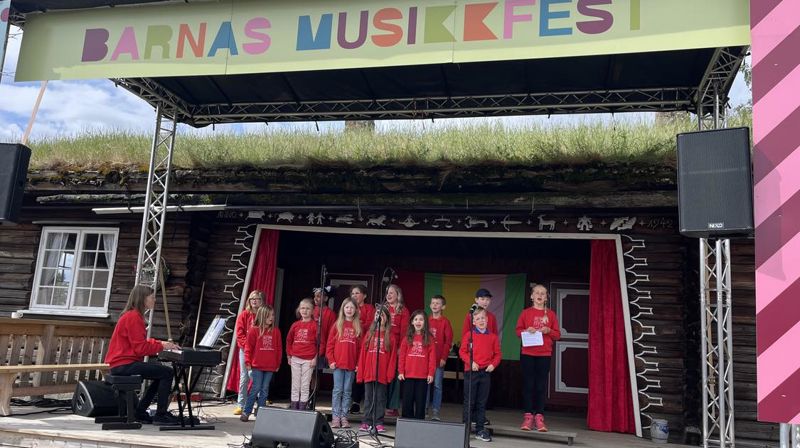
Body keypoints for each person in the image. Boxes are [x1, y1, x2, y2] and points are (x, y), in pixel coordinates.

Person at [105, 285, 180, 425]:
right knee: (167, 373)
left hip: (122, 363)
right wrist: (161, 346)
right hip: (124, 364)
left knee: (162, 374)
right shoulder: (134, 317)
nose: (154, 300)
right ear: (143, 299)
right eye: (152, 297)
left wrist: (160, 343)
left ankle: (140, 411)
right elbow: (140, 348)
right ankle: (161, 415)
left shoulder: (131, 315)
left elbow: (139, 342)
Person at [515, 284, 561, 432]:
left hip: (544, 354)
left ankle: (539, 417)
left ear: (546, 297)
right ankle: (528, 417)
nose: (540, 295)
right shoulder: (525, 313)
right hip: (528, 353)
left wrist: (548, 330)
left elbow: (558, 335)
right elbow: (517, 331)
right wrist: (526, 330)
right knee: (528, 385)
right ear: (532, 296)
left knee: (541, 386)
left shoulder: (551, 315)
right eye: (537, 293)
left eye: (543, 293)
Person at [459, 307, 501, 443]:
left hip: (485, 373)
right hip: (471, 372)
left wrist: (493, 365)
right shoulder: (469, 335)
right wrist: (470, 362)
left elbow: (498, 354)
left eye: (483, 318)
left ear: (487, 320)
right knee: (469, 401)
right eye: (477, 319)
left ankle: (480, 430)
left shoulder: (493, 337)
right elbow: (462, 352)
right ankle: (465, 429)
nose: (481, 320)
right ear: (473, 322)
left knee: (481, 402)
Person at [356, 305, 396, 434]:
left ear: (387, 319)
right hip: (369, 372)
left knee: (380, 399)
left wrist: (389, 375)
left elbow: (392, 358)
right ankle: (366, 421)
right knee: (368, 398)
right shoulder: (369, 334)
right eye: (377, 315)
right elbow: (363, 354)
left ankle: (378, 422)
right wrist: (361, 373)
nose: (379, 317)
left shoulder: (391, 336)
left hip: (382, 373)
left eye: (382, 315)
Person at [241, 305, 281, 422]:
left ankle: (261, 413)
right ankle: (246, 411)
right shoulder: (254, 330)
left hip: (270, 366)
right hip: (257, 365)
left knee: (264, 389)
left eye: (272, 315)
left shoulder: (276, 331)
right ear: (262, 316)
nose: (271, 318)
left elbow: (279, 348)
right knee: (256, 387)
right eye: (269, 315)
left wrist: (277, 363)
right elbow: (248, 347)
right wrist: (247, 362)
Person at [326, 298, 362, 428]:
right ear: (343, 309)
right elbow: (329, 345)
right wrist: (331, 360)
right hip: (338, 365)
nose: (349, 310)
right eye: (347, 307)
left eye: (352, 307)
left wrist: (358, 363)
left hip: (351, 365)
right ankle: (335, 417)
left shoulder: (358, 326)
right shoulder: (337, 325)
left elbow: (360, 348)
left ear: (355, 310)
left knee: (347, 391)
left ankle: (344, 416)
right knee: (337, 390)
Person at [398, 310, 437, 420]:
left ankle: (419, 425)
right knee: (407, 402)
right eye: (415, 319)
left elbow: (432, 358)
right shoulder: (406, 339)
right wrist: (401, 371)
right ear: (411, 322)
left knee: (420, 403)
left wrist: (431, 373)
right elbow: (402, 357)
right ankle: (406, 423)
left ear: (425, 322)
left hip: (422, 377)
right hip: (408, 376)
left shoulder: (429, 339)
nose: (418, 322)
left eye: (421, 319)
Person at [233, 290, 263, 415]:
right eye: (252, 299)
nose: (254, 301)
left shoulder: (263, 315)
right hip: (245, 350)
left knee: (257, 376)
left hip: (259, 350)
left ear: (262, 301)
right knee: (245, 376)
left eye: (257, 299)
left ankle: (260, 403)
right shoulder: (244, 314)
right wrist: (247, 347)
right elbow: (239, 333)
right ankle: (241, 404)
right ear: (249, 301)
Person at [286, 298, 317, 409]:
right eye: (302, 308)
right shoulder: (295, 325)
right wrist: (289, 355)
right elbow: (289, 340)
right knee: (295, 383)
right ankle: (294, 405)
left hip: (309, 359)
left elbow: (320, 343)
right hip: (295, 357)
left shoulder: (315, 325)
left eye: (308, 308)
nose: (305, 311)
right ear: (299, 310)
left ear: (313, 311)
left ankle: (303, 406)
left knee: (305, 384)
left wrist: (315, 358)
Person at [426, 294, 453, 421]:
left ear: (443, 306)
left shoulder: (445, 322)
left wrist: (444, 357)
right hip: (426, 360)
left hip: (438, 360)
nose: (435, 305)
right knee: (425, 385)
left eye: (438, 303)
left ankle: (435, 411)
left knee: (437, 385)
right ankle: (424, 408)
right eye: (433, 303)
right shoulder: (426, 320)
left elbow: (448, 342)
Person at [384, 284, 409, 417]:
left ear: (398, 295)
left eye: (392, 293)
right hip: (383, 347)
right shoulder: (383, 309)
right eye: (387, 292)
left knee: (394, 377)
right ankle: (380, 403)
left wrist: (401, 348)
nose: (388, 295)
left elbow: (405, 332)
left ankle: (392, 407)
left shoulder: (403, 310)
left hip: (396, 349)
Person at [349, 285, 374, 414]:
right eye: (352, 293)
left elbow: (370, 325)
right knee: (348, 373)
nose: (354, 295)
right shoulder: (348, 307)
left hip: (364, 345)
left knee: (360, 374)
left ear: (364, 295)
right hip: (349, 345)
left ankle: (356, 402)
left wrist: (357, 324)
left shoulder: (369, 308)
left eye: (357, 293)